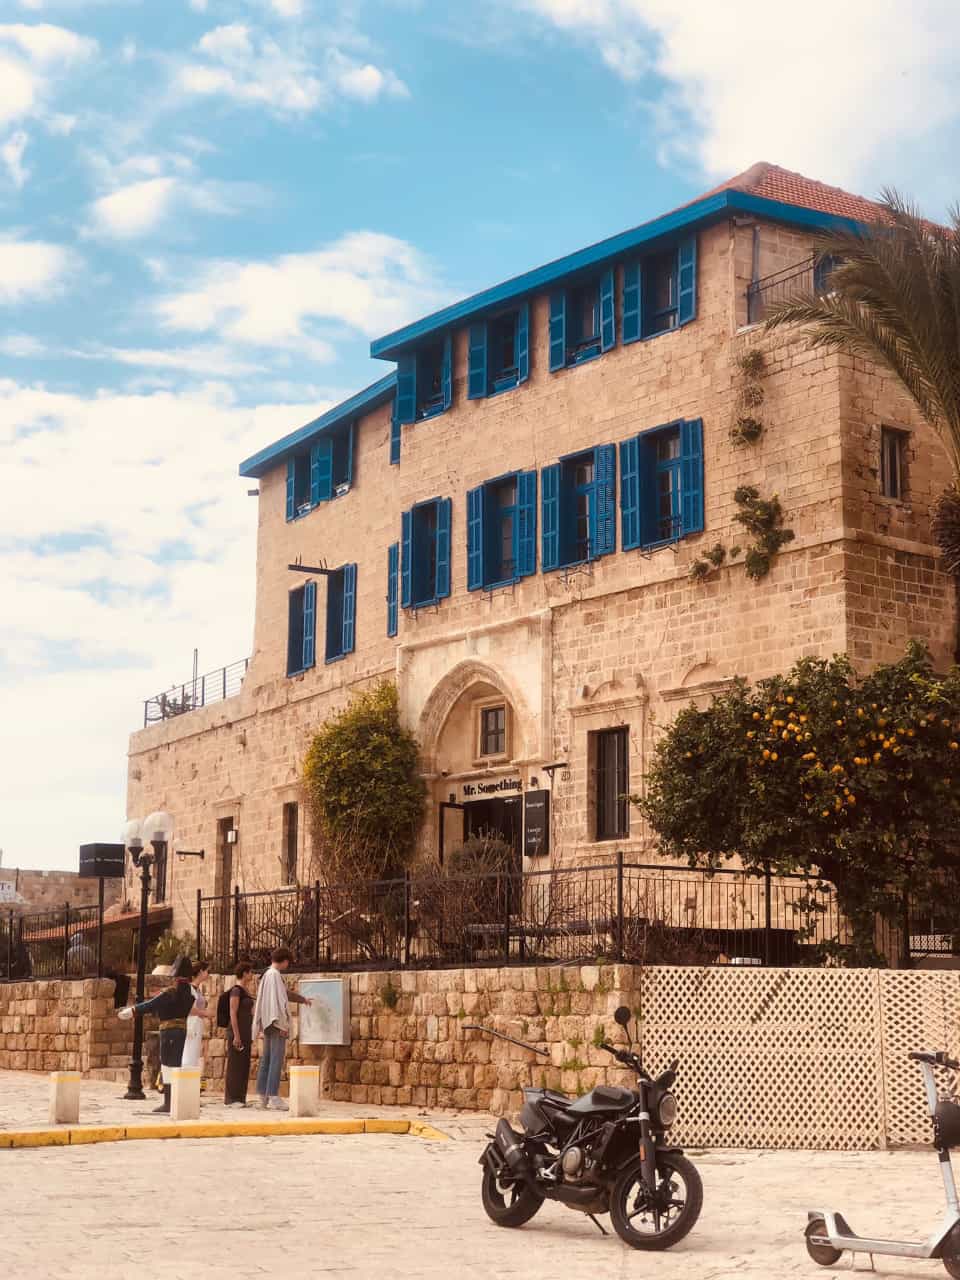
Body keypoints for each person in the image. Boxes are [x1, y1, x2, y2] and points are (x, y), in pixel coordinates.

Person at [118, 954, 195, 1113]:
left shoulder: (171, 992)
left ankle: (168, 1103)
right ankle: (173, 1102)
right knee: (176, 1065)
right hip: (181, 1031)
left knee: (167, 1066)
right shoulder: (190, 994)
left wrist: (132, 1011)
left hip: (169, 1032)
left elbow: (150, 1005)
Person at [251, 946, 312, 1110]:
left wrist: (303, 999)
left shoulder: (267, 974)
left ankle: (263, 1096)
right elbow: (279, 1001)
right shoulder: (275, 975)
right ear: (284, 961)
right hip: (276, 1022)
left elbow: (283, 994)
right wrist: (282, 1024)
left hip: (268, 1022)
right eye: (288, 962)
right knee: (276, 1059)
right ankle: (273, 1095)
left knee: (267, 1059)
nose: (288, 965)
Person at [223, 961, 255, 1107]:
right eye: (250, 972)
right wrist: (236, 1035)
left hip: (246, 1030)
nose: (252, 975)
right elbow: (232, 1012)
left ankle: (241, 1097)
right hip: (237, 1031)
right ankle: (231, 1099)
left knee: (244, 1064)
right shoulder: (236, 990)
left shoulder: (245, 991)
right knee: (235, 1065)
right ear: (244, 973)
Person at [181, 960, 213, 1075]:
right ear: (200, 972)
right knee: (189, 1054)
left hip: (197, 1025)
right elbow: (188, 1008)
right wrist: (205, 1013)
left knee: (194, 1054)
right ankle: (185, 1080)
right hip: (191, 1025)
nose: (208, 974)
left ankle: (189, 1081)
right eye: (207, 971)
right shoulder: (190, 989)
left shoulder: (197, 989)